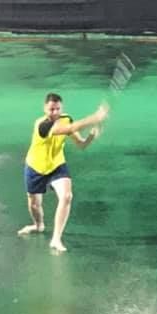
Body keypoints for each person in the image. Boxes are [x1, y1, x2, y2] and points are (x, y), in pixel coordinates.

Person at [18, 92, 109, 252]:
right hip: (35, 167)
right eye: (51, 109)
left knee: (67, 196)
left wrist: (91, 137)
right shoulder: (42, 125)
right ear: (45, 108)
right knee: (34, 204)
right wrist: (96, 117)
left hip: (56, 166)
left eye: (57, 109)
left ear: (62, 108)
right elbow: (71, 128)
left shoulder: (66, 119)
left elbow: (81, 144)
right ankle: (38, 225)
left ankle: (56, 239)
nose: (54, 112)